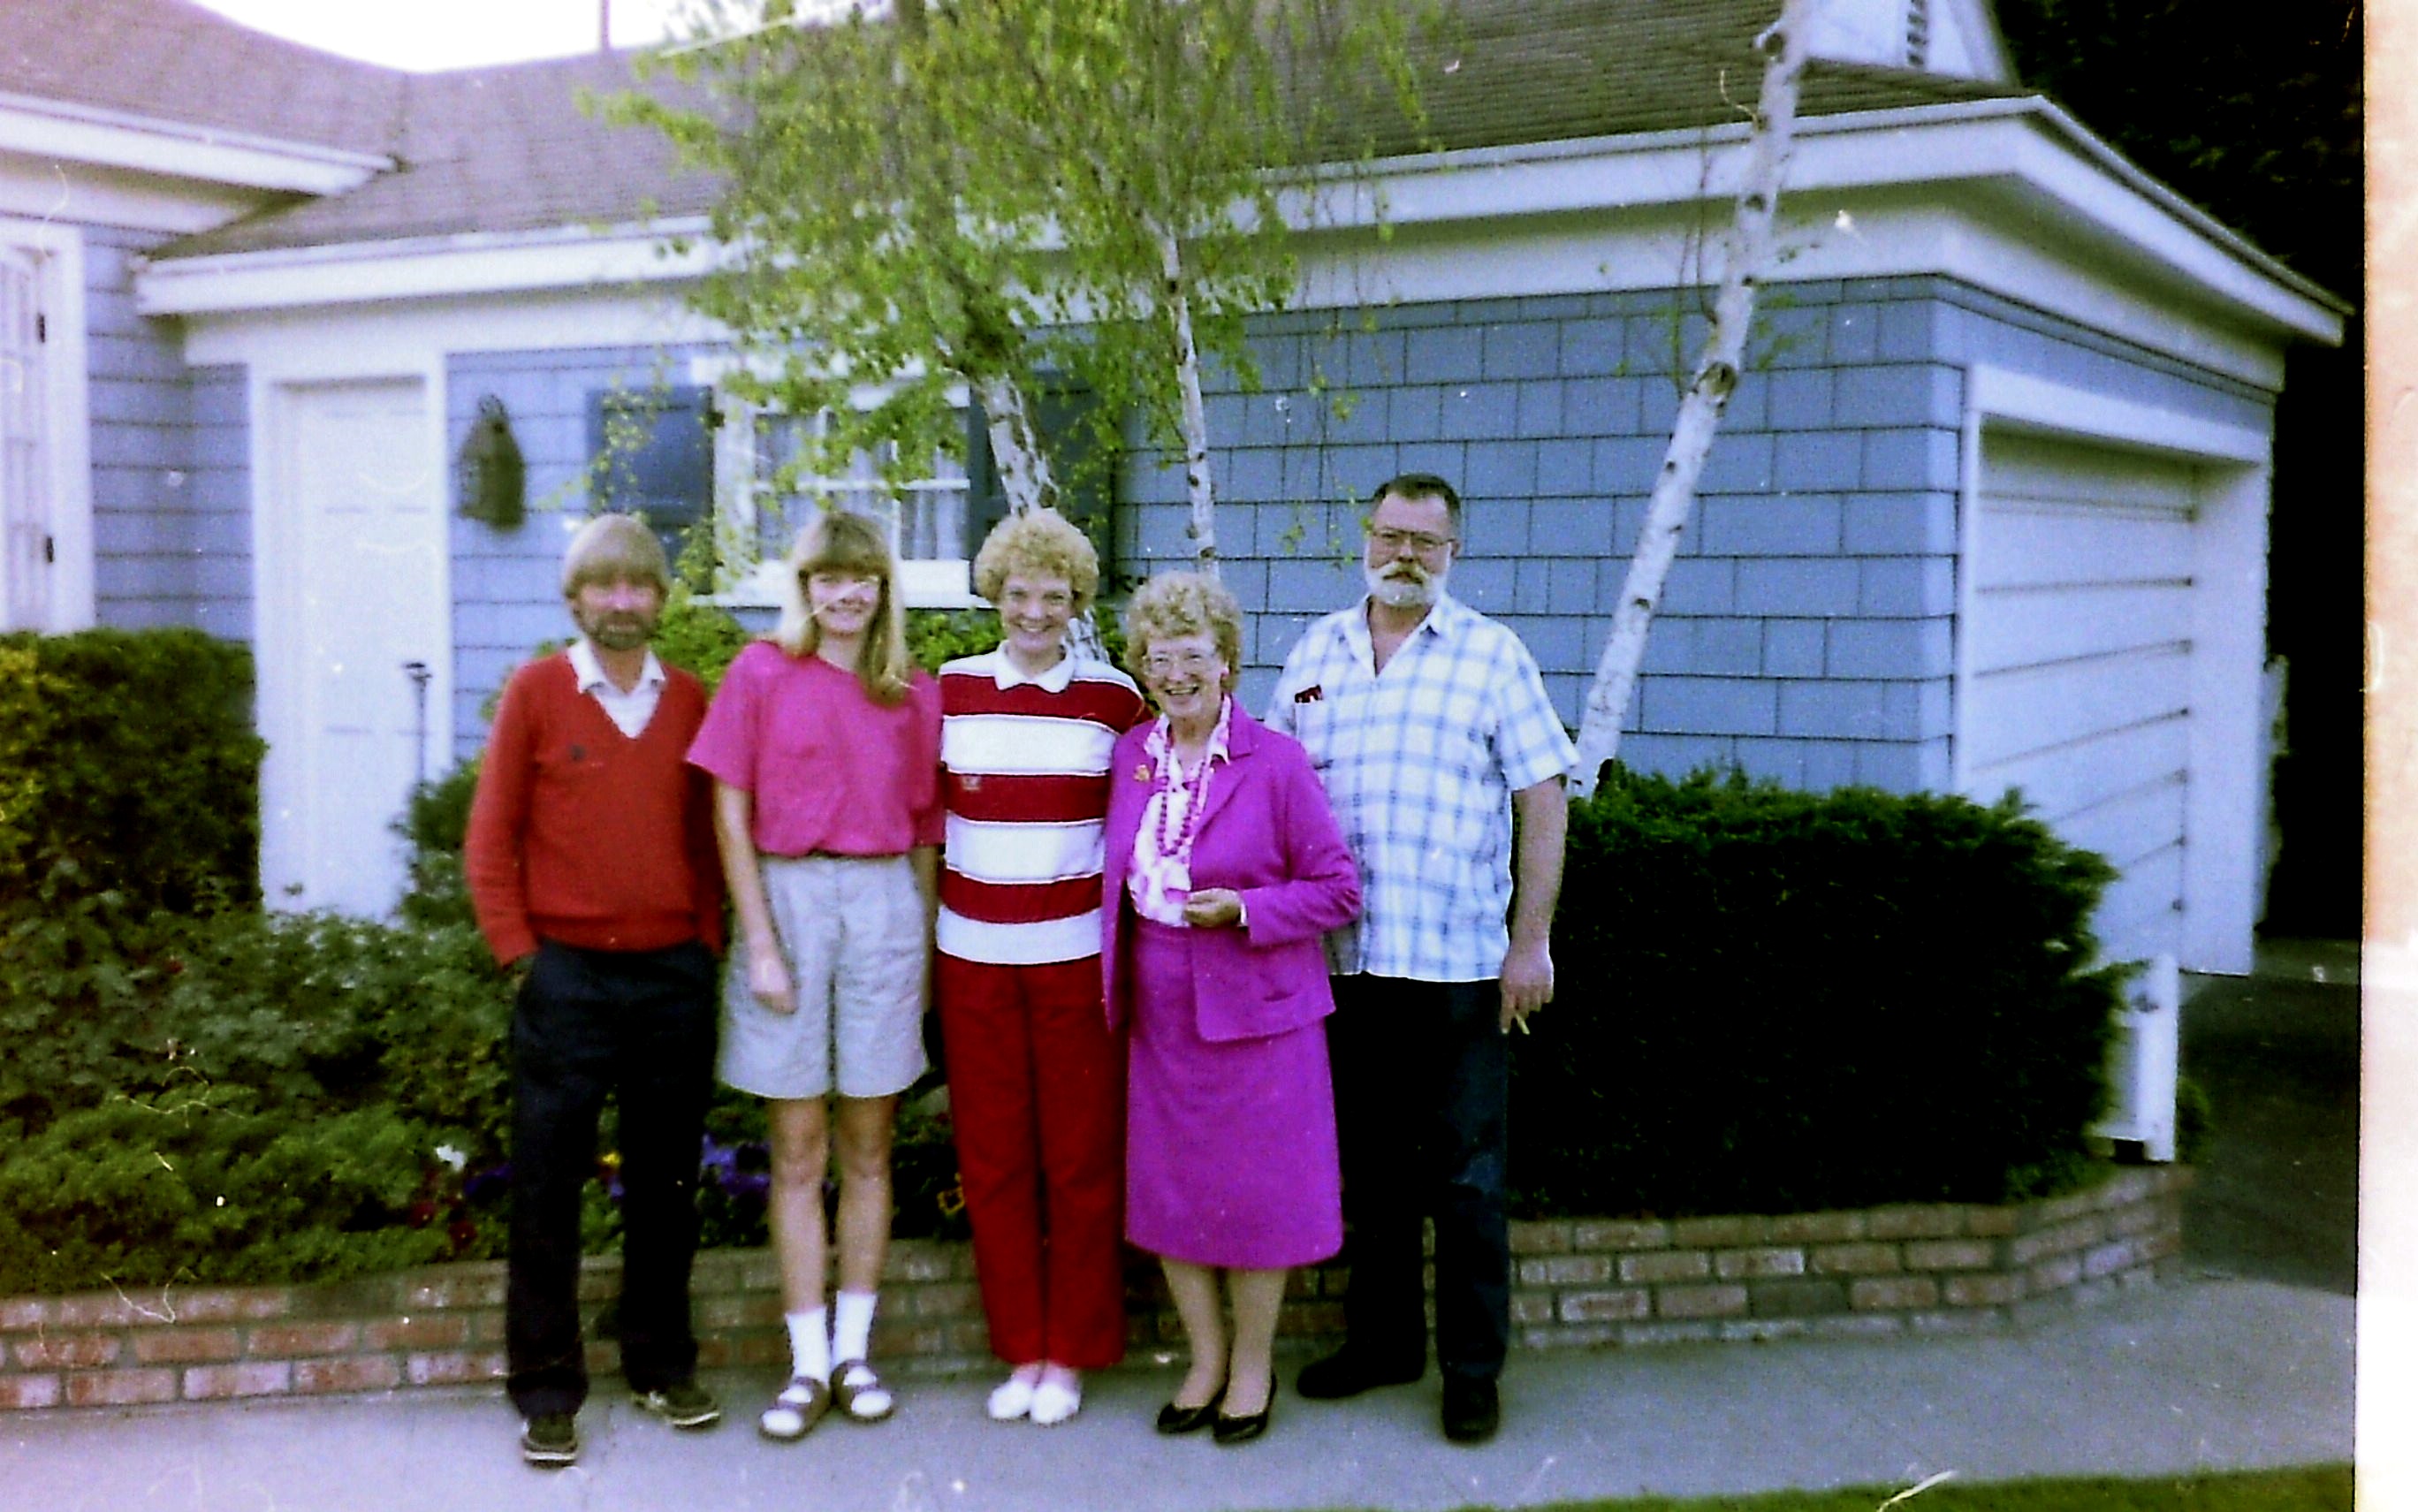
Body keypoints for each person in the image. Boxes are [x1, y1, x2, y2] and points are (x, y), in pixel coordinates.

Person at [1266, 472, 1577, 1445]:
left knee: (1469, 1181)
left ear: (1453, 552)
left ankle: (1472, 1372)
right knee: (1372, 1173)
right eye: (1391, 535)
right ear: (1366, 537)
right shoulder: (1315, 653)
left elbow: (1544, 799)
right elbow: (1272, 790)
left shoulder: (1492, 656)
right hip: (1347, 966)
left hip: (1459, 969)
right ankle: (1384, 1345)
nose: (1405, 554)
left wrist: (1531, 943)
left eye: (1426, 542)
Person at [462, 513, 727, 1469]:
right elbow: (490, 837)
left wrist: (705, 942)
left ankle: (660, 1365)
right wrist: (520, 954)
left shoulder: (691, 698)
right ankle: (544, 1386)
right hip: (565, 977)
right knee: (546, 1189)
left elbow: (709, 840)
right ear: (575, 598)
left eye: (639, 586)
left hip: (671, 978)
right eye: (603, 587)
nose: (622, 602)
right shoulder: (537, 692)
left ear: (660, 599)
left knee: (665, 1186)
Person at [686, 510, 943, 1441]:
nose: (846, 593)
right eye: (829, 576)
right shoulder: (761, 672)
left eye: (863, 577)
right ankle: (802, 1367)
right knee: (797, 1150)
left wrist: (919, 958)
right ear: (805, 586)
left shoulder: (912, 692)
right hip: (787, 904)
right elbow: (729, 807)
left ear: (883, 589)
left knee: (869, 1146)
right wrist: (758, 941)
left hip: (883, 910)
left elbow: (924, 831)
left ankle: (854, 1352)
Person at [1103, 571, 1363, 1446]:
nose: (1176, 673)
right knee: (1175, 1196)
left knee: (1258, 1202)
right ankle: (1205, 1361)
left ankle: (1253, 1370)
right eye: (1159, 657)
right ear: (1142, 666)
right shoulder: (1130, 755)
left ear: (1227, 661)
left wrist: (1247, 910)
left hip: (1260, 1016)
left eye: (1193, 655)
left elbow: (1337, 889)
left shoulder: (1277, 761)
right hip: (1163, 1013)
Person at [936, 513, 1148, 1427]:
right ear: (997, 594)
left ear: (1076, 604)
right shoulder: (946, 690)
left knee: (1080, 1160)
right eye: (1019, 593)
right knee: (993, 1160)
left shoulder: (1113, 701)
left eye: (1053, 597)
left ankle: (1072, 1351)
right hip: (971, 958)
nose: (1034, 611)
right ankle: (1021, 1346)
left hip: (1072, 963)